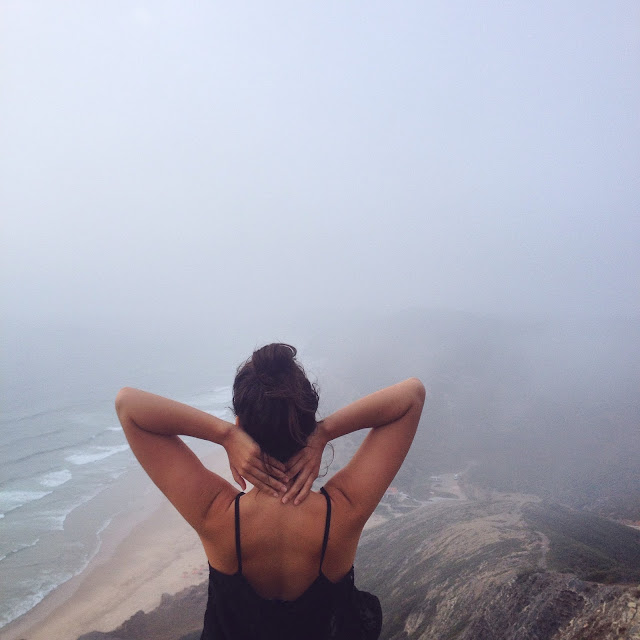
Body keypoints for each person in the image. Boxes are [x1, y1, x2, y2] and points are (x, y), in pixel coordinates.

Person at [115, 343, 425, 639]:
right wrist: (325, 432)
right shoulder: (344, 510)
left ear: (240, 425)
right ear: (307, 427)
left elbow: (128, 405)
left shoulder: (215, 514)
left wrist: (224, 435)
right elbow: (411, 395)